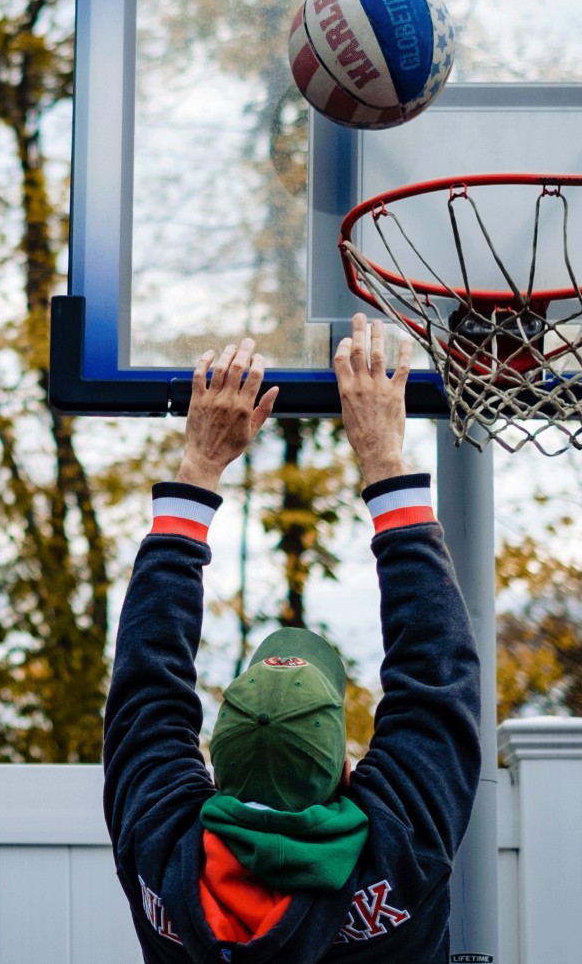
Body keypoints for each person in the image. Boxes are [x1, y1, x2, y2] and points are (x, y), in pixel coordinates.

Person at [103, 315, 482, 962]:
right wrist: (381, 454)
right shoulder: (399, 847)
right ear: (344, 768)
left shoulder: (165, 858)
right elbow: (435, 671)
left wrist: (198, 465)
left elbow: (146, 688)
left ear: (213, 765)